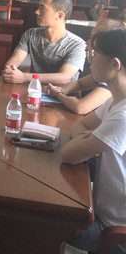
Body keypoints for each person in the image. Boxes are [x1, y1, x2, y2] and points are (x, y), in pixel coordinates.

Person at [61, 28, 126, 254]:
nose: (89, 60)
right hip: (101, 210)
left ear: (114, 64)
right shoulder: (115, 101)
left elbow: (68, 155)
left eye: (94, 54)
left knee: (43, 222)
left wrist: (81, 143)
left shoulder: (122, 115)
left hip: (113, 230)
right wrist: (84, 140)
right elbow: (79, 125)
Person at [2, 0, 85, 84]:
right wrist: (10, 69)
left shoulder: (77, 44)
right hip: (34, 89)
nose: (37, 12)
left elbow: (64, 77)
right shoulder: (30, 34)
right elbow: (15, 59)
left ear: (60, 15)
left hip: (62, 92)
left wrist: (24, 77)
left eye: (42, 8)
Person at [47, 18, 125, 115]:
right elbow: (80, 83)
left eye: (92, 38)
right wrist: (62, 90)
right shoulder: (105, 71)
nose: (87, 42)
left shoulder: (112, 79)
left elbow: (80, 108)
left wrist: (58, 94)